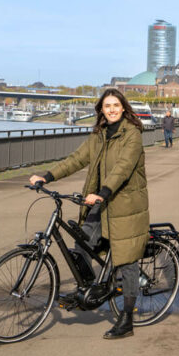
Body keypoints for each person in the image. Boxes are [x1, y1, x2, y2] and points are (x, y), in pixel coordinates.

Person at [29, 88, 149, 340]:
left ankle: (126, 319)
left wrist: (103, 192)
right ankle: (92, 289)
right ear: (101, 110)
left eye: (116, 105)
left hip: (126, 206)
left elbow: (124, 168)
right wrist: (46, 176)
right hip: (101, 203)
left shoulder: (132, 134)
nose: (112, 109)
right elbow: (75, 159)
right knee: (81, 246)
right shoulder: (98, 135)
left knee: (127, 261)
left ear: (124, 107)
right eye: (107, 106)